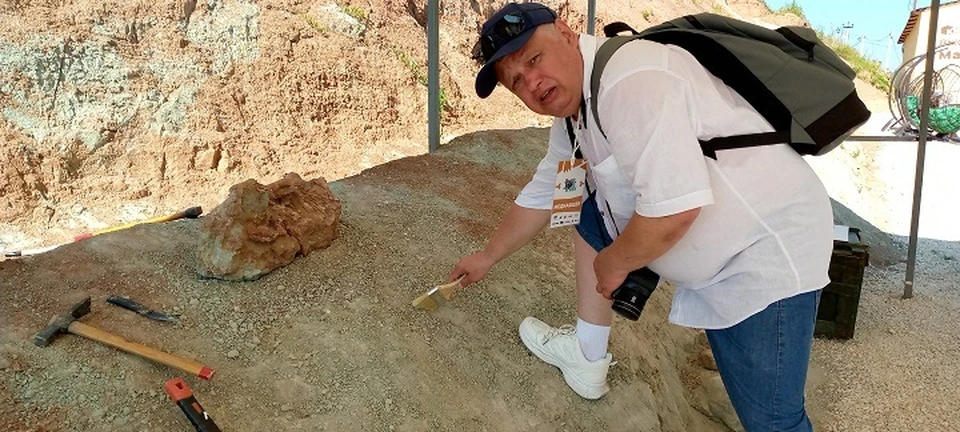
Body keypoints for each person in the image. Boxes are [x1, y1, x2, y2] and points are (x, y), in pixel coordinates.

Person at [448, 2, 832, 431]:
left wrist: (614, 262)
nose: (532, 83)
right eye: (516, 81)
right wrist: (487, 256)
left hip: (759, 259)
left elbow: (675, 210)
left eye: (534, 59)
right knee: (584, 202)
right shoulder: (575, 115)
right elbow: (550, 193)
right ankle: (588, 355)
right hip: (720, 259)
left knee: (772, 422)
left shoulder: (630, 81)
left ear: (566, 32)